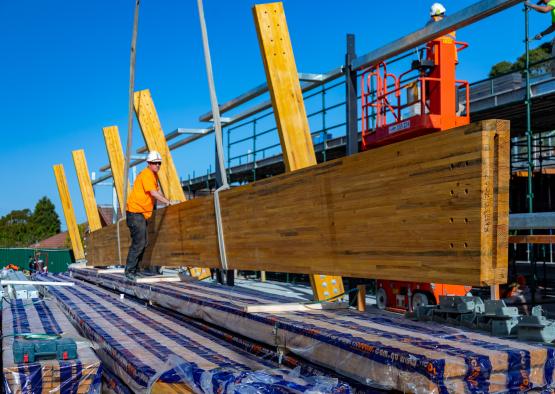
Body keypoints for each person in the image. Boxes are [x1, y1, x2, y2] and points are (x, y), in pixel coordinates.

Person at [125, 151, 177, 280]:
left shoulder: (153, 176)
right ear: (149, 163)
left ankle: (135, 270)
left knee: (144, 242)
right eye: (155, 163)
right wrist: (167, 202)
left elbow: (154, 194)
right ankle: (129, 271)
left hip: (141, 213)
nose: (158, 165)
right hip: (135, 212)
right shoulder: (147, 174)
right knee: (139, 242)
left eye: (159, 163)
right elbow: (154, 193)